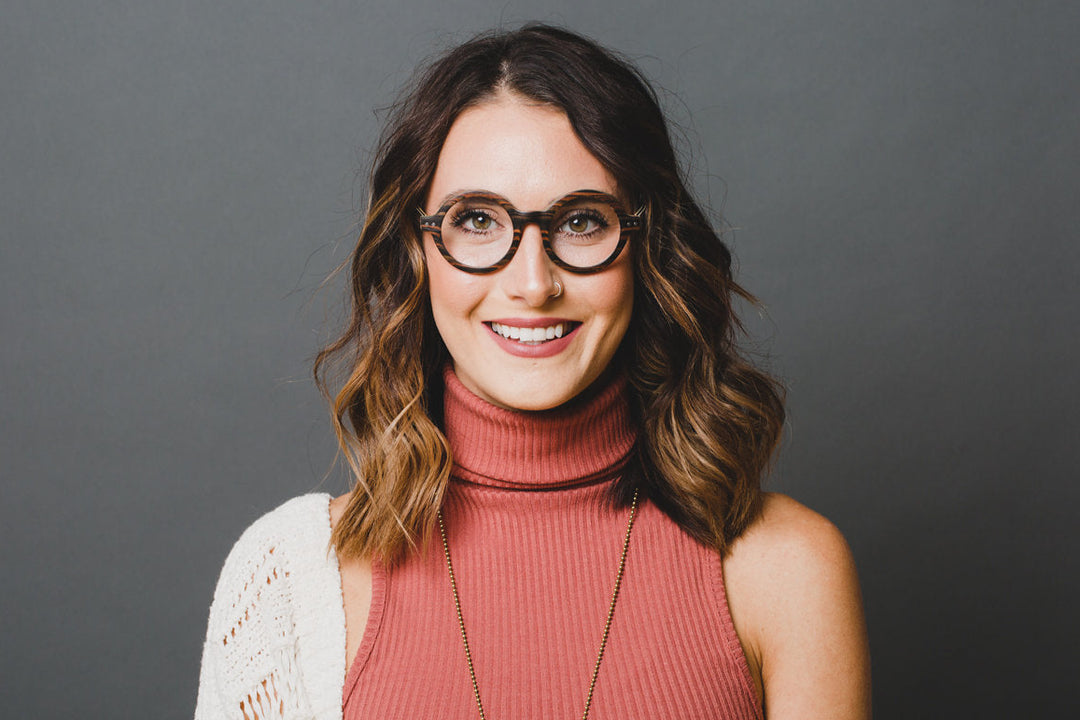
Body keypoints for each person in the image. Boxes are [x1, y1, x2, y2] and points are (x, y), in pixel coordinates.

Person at [195, 24, 871, 720]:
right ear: (417, 251)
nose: (532, 282)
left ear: (649, 247)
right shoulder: (289, 581)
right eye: (478, 220)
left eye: (581, 222)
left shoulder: (786, 571)